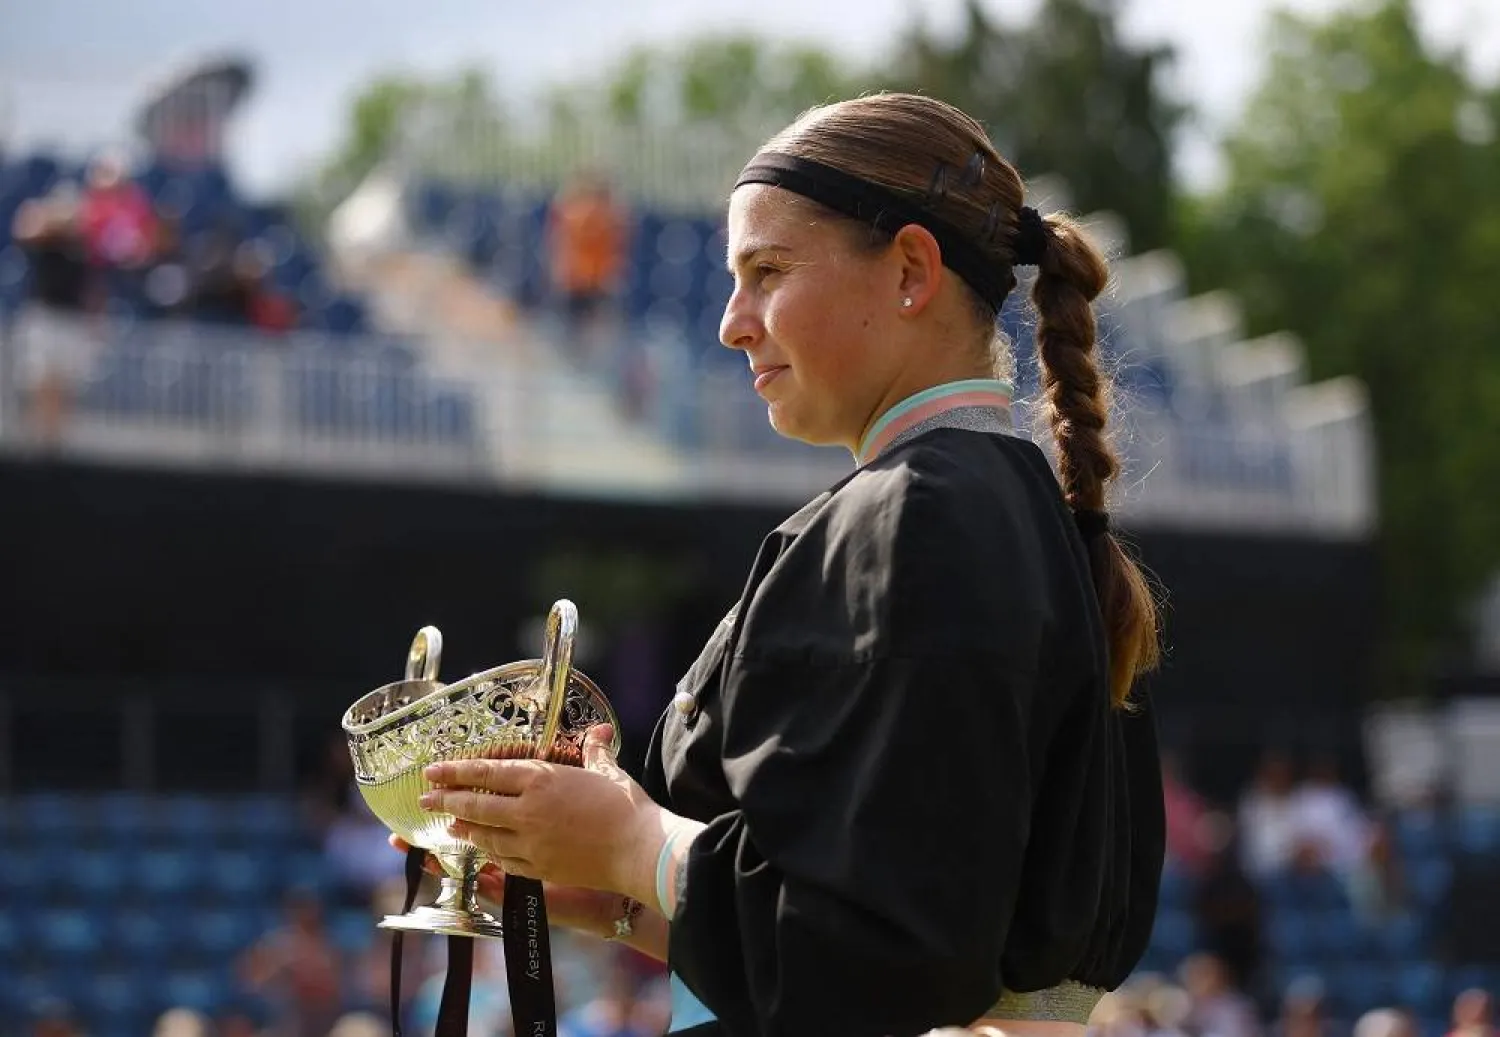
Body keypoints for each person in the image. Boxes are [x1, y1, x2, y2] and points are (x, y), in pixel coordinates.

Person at [409, 92, 1166, 1036]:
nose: (732, 321)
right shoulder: (1019, 514)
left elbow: (883, 956)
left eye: (767, 271)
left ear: (910, 270)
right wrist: (612, 883)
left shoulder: (914, 517)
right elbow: (915, 939)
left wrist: (637, 837)